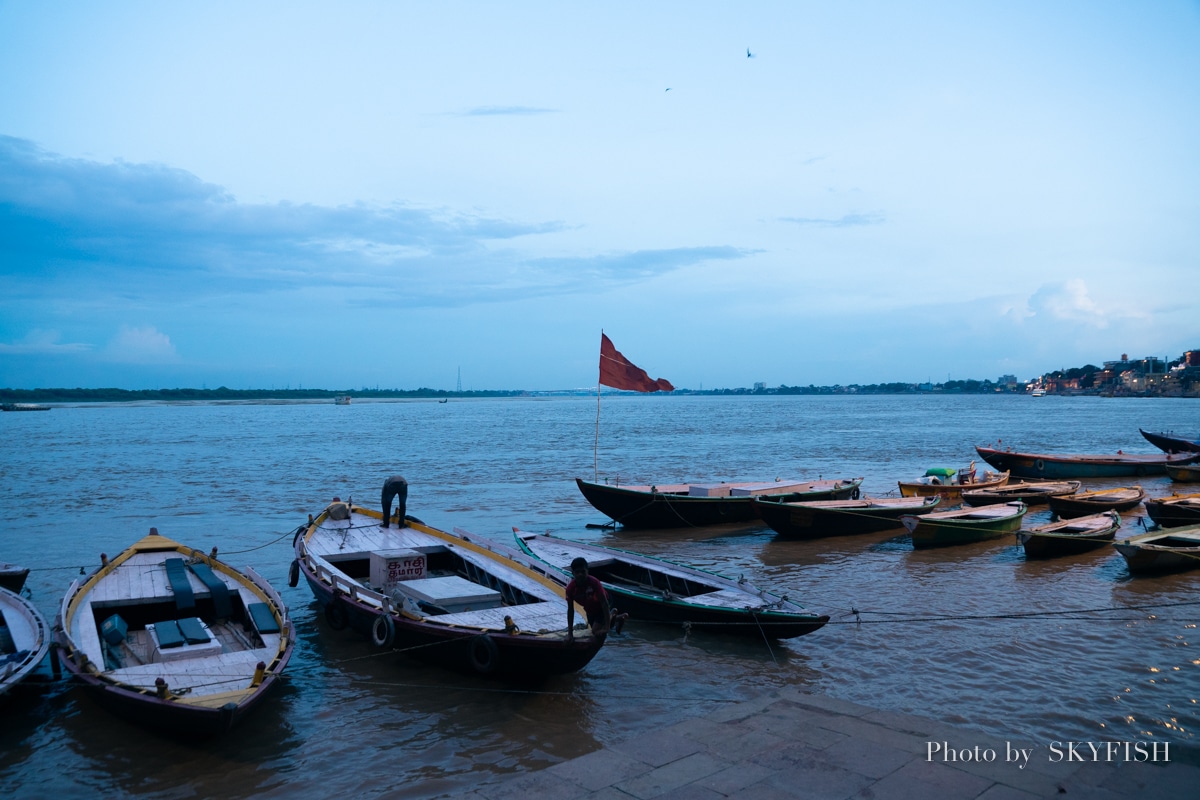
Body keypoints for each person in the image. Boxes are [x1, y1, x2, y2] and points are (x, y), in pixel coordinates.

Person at [565, 557, 610, 641]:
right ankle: (616, 617)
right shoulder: (570, 589)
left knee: (596, 631)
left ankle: (611, 618)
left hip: (601, 606)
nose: (580, 575)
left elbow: (604, 604)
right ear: (573, 573)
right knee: (594, 629)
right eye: (577, 572)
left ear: (587, 571)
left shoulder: (594, 582)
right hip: (589, 610)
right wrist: (570, 634)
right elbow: (570, 610)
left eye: (583, 571)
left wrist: (607, 628)